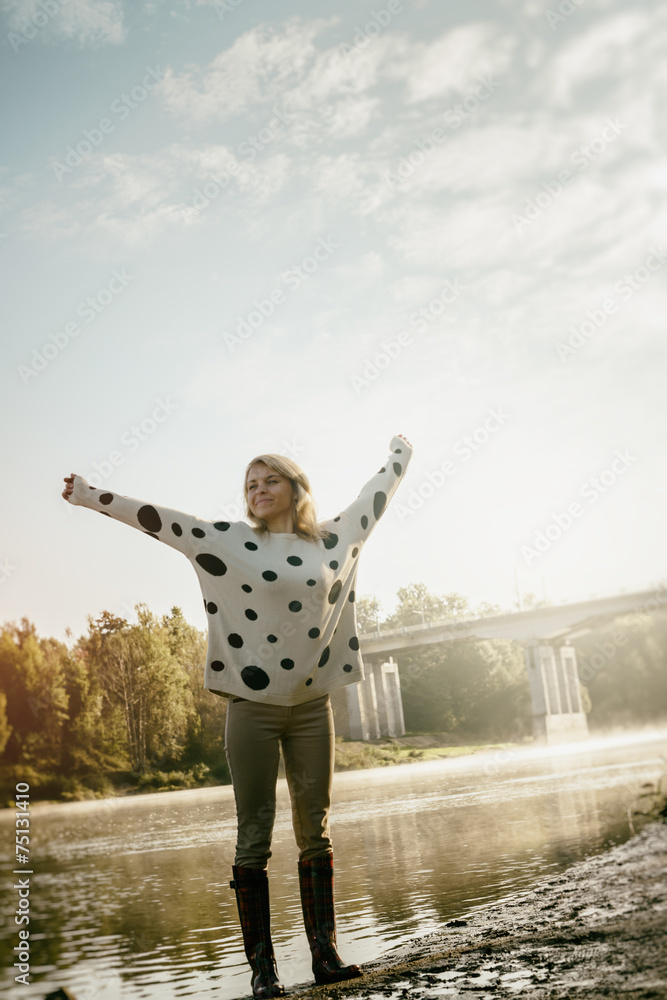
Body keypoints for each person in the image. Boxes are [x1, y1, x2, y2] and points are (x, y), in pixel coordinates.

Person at [62, 433, 412, 998]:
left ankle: (325, 955)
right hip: (251, 710)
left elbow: (377, 496)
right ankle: (263, 971)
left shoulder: (333, 539)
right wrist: (89, 495)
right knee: (254, 834)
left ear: (296, 488)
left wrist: (400, 453)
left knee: (315, 829)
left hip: (311, 709)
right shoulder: (228, 541)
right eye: (251, 484)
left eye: (270, 480)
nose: (258, 490)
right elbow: (160, 521)